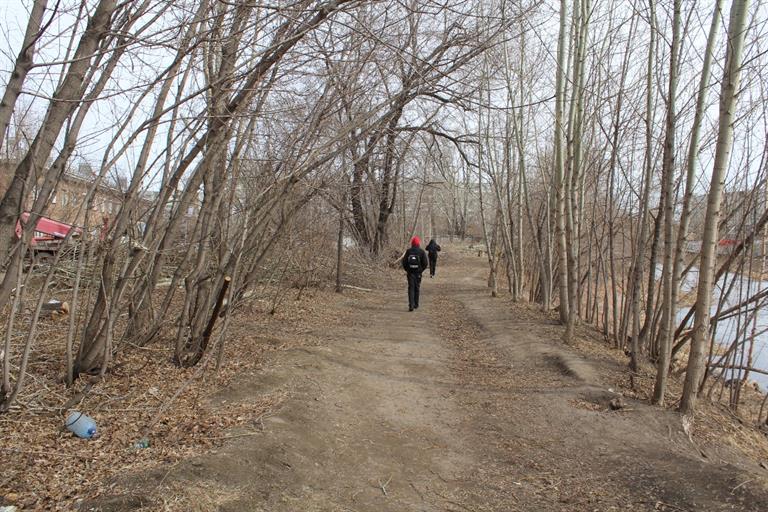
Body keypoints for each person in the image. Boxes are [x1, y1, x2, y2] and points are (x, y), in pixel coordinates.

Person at [402, 236, 428, 312]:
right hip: (418, 273)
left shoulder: (408, 251)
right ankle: (416, 304)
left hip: (410, 273)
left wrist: (407, 270)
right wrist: (421, 270)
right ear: (418, 243)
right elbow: (425, 263)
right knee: (417, 288)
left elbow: (404, 262)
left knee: (411, 288)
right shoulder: (421, 251)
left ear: (412, 243)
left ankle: (411, 305)